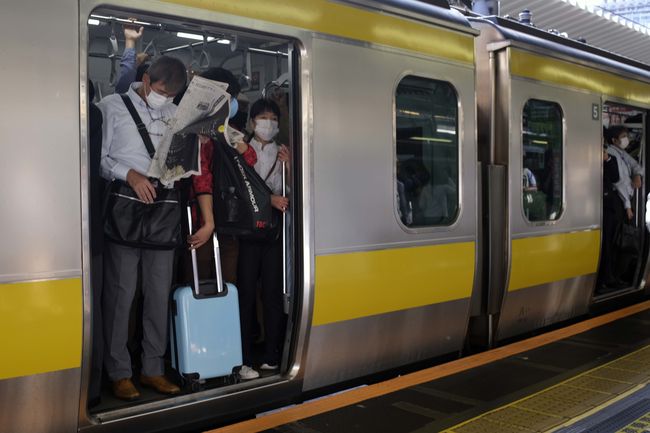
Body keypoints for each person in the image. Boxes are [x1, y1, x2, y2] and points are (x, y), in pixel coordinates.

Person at [98, 56, 186, 400]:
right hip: (125, 205)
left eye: (172, 95)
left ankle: (152, 368)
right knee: (122, 293)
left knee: (158, 291)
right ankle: (118, 371)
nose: (165, 99)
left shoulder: (177, 114)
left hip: (163, 209)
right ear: (146, 80)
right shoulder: (112, 107)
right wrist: (130, 175)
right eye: (162, 92)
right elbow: (100, 158)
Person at [186, 68, 257, 284]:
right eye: (231, 98)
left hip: (229, 217)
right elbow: (201, 177)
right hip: (201, 220)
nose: (234, 103)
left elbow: (251, 160)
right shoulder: (195, 131)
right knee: (200, 279)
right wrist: (209, 223)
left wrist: (241, 147)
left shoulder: (229, 129)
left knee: (228, 279)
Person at [236, 98, 290, 380]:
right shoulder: (241, 149)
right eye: (262, 117)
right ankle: (244, 357)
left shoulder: (284, 152)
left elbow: (291, 190)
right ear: (252, 121)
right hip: (248, 231)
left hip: (273, 230)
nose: (268, 123)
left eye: (273, 118)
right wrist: (269, 199)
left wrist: (290, 167)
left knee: (271, 293)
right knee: (245, 293)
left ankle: (272, 354)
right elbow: (239, 189)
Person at [597, 144, 623, 293]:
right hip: (593, 207)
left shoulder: (609, 159)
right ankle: (602, 280)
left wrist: (606, 159)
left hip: (607, 207)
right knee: (603, 244)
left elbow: (615, 177)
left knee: (608, 243)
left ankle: (607, 277)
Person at [607, 125, 643, 221]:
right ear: (614, 140)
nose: (626, 139)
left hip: (624, 199)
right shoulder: (611, 153)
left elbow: (635, 164)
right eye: (623, 136)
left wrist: (637, 175)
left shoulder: (621, 152)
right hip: (618, 199)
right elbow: (619, 181)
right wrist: (627, 205)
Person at [115, 24, 150, 94]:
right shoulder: (122, 99)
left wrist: (130, 40)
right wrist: (130, 40)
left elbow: (129, 70)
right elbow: (128, 72)